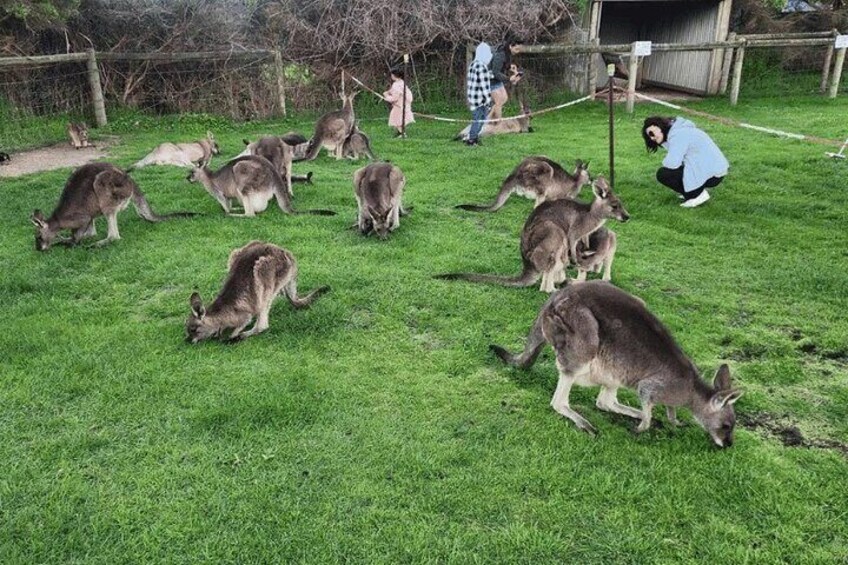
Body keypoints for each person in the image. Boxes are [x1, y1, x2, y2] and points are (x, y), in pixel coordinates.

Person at [642, 116, 729, 208]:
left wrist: (667, 160)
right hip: (716, 171)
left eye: (652, 133)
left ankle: (697, 194)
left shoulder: (678, 135)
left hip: (711, 174)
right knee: (674, 171)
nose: (652, 138)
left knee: (663, 174)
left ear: (659, 127)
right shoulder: (681, 130)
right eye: (649, 136)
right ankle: (691, 192)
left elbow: (672, 164)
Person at [465, 42, 494, 147]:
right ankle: (471, 140)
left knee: (478, 119)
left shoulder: (473, 64)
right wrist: (488, 101)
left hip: (473, 98)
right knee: (479, 120)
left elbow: (480, 78)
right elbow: (484, 86)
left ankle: (474, 137)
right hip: (480, 100)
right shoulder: (482, 67)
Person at [488, 37, 524, 120]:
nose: (518, 51)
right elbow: (495, 72)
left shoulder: (507, 52)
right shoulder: (500, 54)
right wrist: (509, 79)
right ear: (511, 46)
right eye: (517, 49)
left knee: (504, 98)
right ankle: (497, 123)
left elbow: (501, 64)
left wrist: (509, 67)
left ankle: (488, 120)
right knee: (498, 101)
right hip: (489, 79)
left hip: (496, 78)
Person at [382, 68, 414, 138]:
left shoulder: (396, 85)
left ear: (394, 75)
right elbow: (394, 91)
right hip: (403, 104)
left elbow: (395, 98)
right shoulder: (401, 82)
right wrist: (388, 92)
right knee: (399, 119)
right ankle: (400, 132)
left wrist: (386, 97)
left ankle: (402, 133)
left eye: (392, 74)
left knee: (396, 119)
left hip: (399, 105)